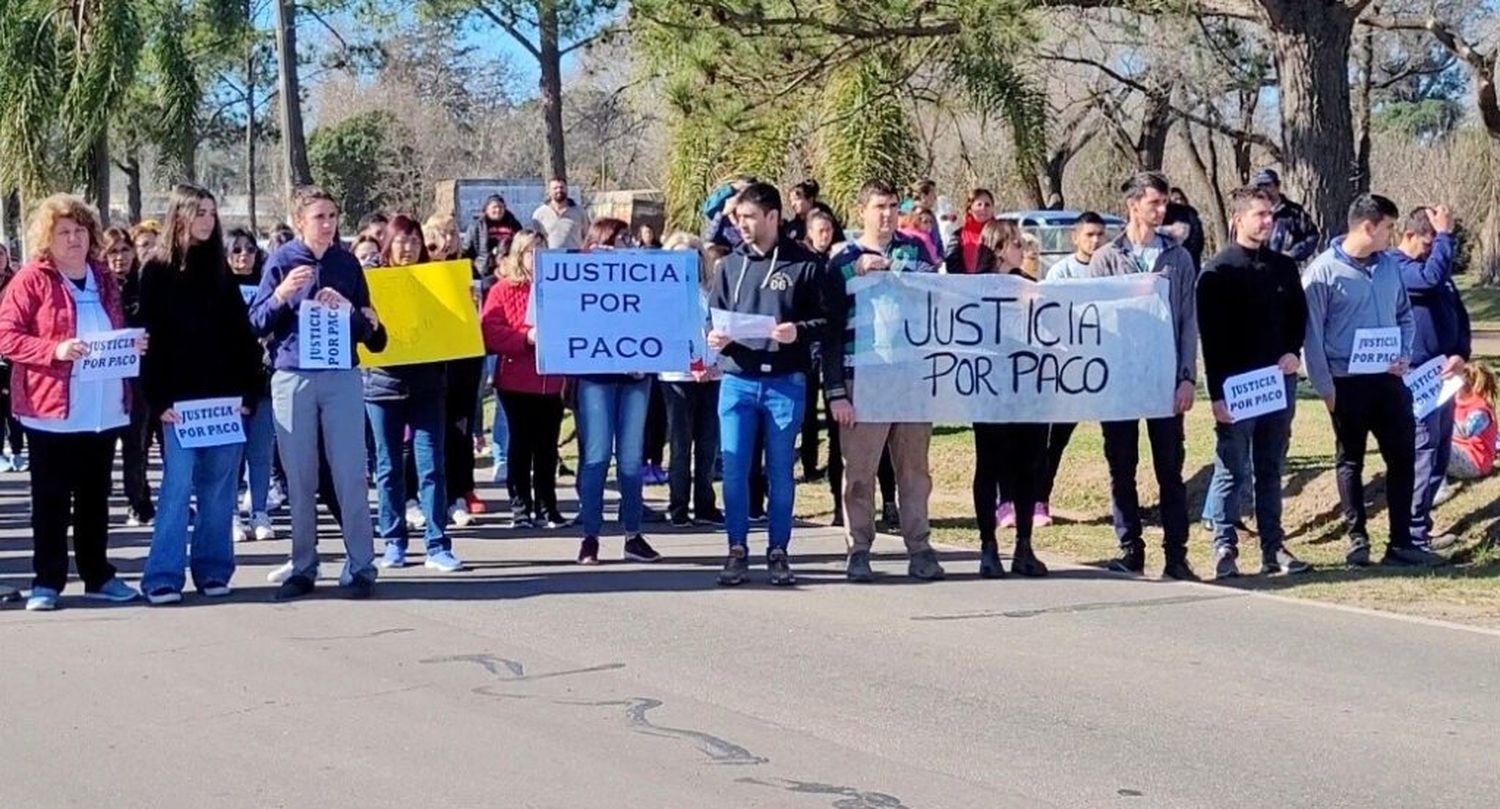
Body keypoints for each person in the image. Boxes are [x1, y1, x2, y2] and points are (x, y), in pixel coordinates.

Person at [0, 194, 146, 611]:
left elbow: (113, 328)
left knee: (95, 500)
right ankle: (47, 581)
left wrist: (133, 342)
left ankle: (98, 574)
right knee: (50, 502)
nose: (74, 239)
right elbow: (7, 336)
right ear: (47, 238)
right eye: (64, 231)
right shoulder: (31, 279)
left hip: (102, 411)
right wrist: (55, 350)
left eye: (80, 230)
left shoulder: (102, 277)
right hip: (51, 412)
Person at [249, 185, 389, 600]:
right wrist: (281, 295)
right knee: (300, 475)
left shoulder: (348, 264)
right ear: (299, 223)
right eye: (319, 217)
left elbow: (372, 332)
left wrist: (349, 310)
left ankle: (362, 565)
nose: (328, 225)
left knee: (349, 473)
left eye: (332, 216)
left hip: (341, 376)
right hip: (294, 377)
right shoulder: (281, 261)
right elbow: (255, 323)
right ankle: (303, 564)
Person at [136, 184, 264, 605]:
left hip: (225, 401)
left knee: (219, 489)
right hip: (179, 405)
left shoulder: (220, 270)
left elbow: (242, 337)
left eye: (211, 212)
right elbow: (149, 338)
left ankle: (212, 569)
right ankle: (162, 575)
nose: (207, 220)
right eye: (199, 212)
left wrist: (248, 391)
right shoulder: (155, 270)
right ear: (180, 216)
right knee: (176, 489)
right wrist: (159, 401)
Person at [706, 182, 839, 586]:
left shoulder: (806, 264)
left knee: (780, 470)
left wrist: (797, 331)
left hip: (785, 382)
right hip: (737, 381)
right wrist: (715, 336)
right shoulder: (729, 267)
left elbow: (828, 321)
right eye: (738, 218)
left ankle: (779, 550)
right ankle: (736, 549)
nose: (742, 225)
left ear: (772, 217)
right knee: (734, 469)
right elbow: (713, 318)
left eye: (749, 217)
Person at [1303, 193, 1444, 568]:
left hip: (1389, 381)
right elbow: (1311, 336)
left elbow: (1405, 315)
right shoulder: (1323, 271)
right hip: (1346, 383)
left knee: (1402, 457)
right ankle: (1357, 539)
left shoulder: (1389, 267)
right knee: (1350, 461)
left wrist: (1404, 352)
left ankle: (1401, 543)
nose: (1391, 237)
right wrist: (1326, 389)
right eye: (1387, 229)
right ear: (1368, 226)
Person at [823, 179, 945, 583]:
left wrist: (896, 268)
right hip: (864, 379)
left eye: (893, 205)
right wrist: (836, 391)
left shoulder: (913, 250)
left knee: (915, 471)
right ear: (863, 211)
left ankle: (920, 547)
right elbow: (829, 324)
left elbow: (938, 286)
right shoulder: (843, 258)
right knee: (859, 472)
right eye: (879, 206)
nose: (887, 214)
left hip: (909, 378)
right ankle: (858, 548)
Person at [1088, 171, 1199, 580]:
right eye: (1153, 202)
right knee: (1122, 466)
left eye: (1164, 202)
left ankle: (1176, 555)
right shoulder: (1106, 258)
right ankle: (1130, 547)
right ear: (1133, 205)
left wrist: (1187, 376)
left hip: (1165, 378)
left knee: (1169, 468)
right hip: (1120, 379)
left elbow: (1188, 320)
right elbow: (1092, 321)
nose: (1161, 209)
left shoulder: (1178, 257)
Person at [1196, 186, 1311, 579]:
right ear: (1238, 219)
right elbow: (1210, 340)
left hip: (1278, 384)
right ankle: (1224, 547)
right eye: (1259, 215)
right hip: (1237, 389)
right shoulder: (1217, 271)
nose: (1267, 222)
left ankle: (1272, 547)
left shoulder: (1283, 267)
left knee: (1270, 467)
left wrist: (1293, 351)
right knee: (1232, 468)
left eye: (1270, 215)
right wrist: (1217, 394)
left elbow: (1299, 315)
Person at [365, 215, 463, 573]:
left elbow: (453, 330)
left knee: (431, 468)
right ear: (388, 243)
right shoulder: (371, 281)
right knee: (389, 468)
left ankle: (437, 544)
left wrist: (464, 305)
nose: (408, 249)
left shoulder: (435, 280)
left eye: (414, 241)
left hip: (427, 388)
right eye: (401, 241)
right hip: (382, 386)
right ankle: (393, 541)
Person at [571, 217, 662, 565]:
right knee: (595, 458)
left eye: (627, 238)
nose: (623, 243)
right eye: (616, 238)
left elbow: (657, 315)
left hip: (636, 377)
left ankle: (633, 535)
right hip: (596, 378)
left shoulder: (642, 278)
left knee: (630, 460)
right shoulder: (580, 279)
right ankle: (590, 536)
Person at [968, 219, 1050, 578]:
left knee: (1028, 467)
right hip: (990, 391)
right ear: (999, 248)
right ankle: (988, 546)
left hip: (1029, 392)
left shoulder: (1032, 288)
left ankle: (1024, 546)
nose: (1023, 249)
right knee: (989, 466)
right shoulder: (974, 292)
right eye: (1015, 243)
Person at [1392, 205, 1471, 551]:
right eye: (1428, 244)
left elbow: (1459, 315)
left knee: (1439, 451)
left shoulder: (1439, 272)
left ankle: (1421, 528)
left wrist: (1461, 354)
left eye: (1434, 245)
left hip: (1445, 376)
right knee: (1422, 450)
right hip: (1415, 378)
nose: (1432, 252)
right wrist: (1445, 236)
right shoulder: (1398, 267)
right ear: (1408, 236)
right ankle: (1408, 535)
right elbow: (1428, 280)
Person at [482, 229, 566, 528]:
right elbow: (490, 332)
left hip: (550, 380)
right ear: (520, 255)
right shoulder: (503, 290)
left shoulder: (557, 288)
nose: (537, 256)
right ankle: (520, 509)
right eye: (532, 251)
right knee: (521, 446)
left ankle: (547, 508)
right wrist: (525, 337)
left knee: (547, 447)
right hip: (516, 381)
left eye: (542, 249)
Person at [658, 232, 725, 527]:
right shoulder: (663, 295)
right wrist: (692, 364)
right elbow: (668, 337)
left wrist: (715, 365)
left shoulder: (712, 290)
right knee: (681, 444)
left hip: (713, 376)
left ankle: (705, 504)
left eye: (694, 256)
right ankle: (678, 506)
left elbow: (723, 331)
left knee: (708, 444)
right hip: (677, 377)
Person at [100, 228, 157, 525]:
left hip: (139, 379)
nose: (119, 257)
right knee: (103, 446)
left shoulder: (145, 286)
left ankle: (139, 501)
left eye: (124, 250)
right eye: (113, 252)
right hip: (105, 380)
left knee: (138, 443)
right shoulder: (96, 288)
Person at [225, 227, 277, 543]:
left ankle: (260, 511)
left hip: (263, 380)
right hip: (229, 383)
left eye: (250, 250)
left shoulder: (266, 286)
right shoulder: (217, 288)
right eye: (236, 250)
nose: (244, 256)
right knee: (232, 454)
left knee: (260, 452)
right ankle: (231, 513)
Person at [1252, 168, 1320, 264]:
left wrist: (1293, 253)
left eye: (1267, 185)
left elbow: (1312, 237)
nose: (1264, 190)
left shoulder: (1294, 212)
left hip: (1288, 272)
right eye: (1260, 186)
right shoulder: (1253, 214)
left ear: (1277, 185)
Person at [1447, 363, 1496, 481]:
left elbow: (1467, 432)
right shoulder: (1455, 403)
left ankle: (1440, 488)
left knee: (1433, 444)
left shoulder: (1480, 411)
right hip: (1458, 452)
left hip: (1475, 463)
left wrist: (1437, 423)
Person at [0, 243, 25, 473]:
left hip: (11, 357)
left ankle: (17, 452)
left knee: (13, 407)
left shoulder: (17, 282)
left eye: (1, 254)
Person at [465, 195, 523, 278]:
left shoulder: (513, 224)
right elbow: (467, 250)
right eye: (494, 207)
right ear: (487, 209)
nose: (498, 210)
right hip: (485, 271)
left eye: (501, 207)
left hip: (508, 270)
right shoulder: (477, 226)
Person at [945, 188, 995, 274]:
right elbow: (951, 265)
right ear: (970, 209)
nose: (983, 208)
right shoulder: (958, 236)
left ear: (992, 208)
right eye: (979, 204)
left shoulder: (1003, 234)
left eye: (987, 205)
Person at [531, 177, 591, 249]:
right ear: (549, 191)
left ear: (567, 189)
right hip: (548, 257)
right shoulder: (539, 214)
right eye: (555, 188)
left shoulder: (580, 212)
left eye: (561, 187)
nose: (559, 190)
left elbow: (588, 237)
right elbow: (534, 241)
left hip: (574, 257)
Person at [781, 179, 844, 244]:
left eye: (796, 199)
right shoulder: (792, 227)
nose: (793, 204)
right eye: (791, 201)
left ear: (810, 200)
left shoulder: (826, 220)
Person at [1163, 187, 1206, 269]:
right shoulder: (1167, 219)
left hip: (1191, 258)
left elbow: (1198, 238)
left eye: (1180, 198)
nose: (1179, 202)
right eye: (1175, 199)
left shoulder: (1191, 215)